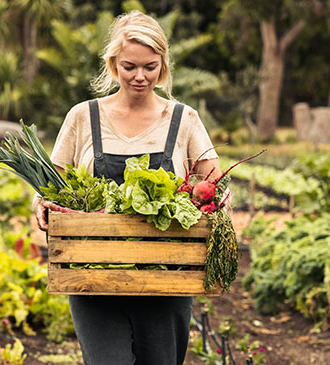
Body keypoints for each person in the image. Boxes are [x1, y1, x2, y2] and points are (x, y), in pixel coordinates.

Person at [31, 10, 222, 365]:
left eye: (150, 67)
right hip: (95, 276)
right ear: (113, 63)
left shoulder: (183, 119)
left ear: (162, 65)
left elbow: (214, 179)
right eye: (129, 66)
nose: (139, 76)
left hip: (167, 277)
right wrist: (41, 203)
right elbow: (52, 186)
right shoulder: (83, 117)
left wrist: (213, 200)